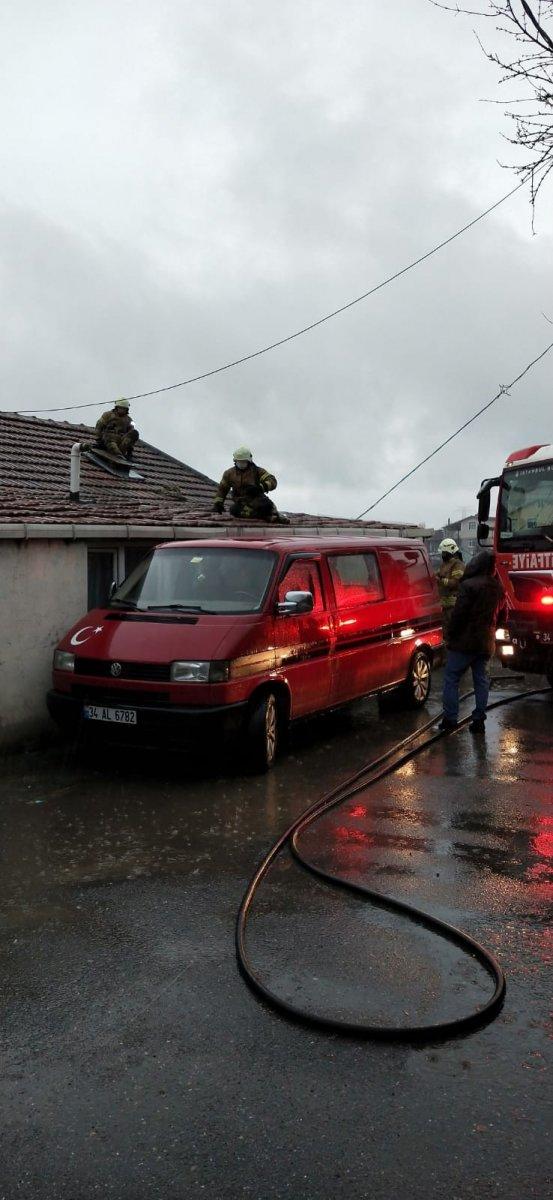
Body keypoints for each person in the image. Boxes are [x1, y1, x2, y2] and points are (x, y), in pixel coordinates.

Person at [439, 549, 506, 734]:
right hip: (485, 644)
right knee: (481, 681)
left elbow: (459, 615)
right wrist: (491, 630)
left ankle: (450, 719)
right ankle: (478, 721)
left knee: (452, 678)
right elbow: (503, 616)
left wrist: (451, 635)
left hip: (463, 643)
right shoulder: (498, 587)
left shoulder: (468, 585)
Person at [212, 447, 290, 523]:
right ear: (235, 461)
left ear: (249, 461)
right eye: (239, 462)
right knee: (234, 510)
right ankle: (268, 517)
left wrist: (261, 487)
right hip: (241, 504)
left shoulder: (257, 471)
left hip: (259, 502)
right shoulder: (229, 474)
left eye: (244, 462)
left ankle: (273, 515)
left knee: (267, 507)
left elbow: (272, 481)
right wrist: (218, 503)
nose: (241, 464)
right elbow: (222, 489)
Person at [435, 538, 465, 638]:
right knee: (445, 633)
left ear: (450, 550)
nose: (442, 555)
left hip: (453, 607)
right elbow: (437, 575)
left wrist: (441, 580)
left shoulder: (458, 565)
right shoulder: (445, 564)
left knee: (453, 633)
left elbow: (456, 582)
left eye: (444, 552)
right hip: (445, 606)